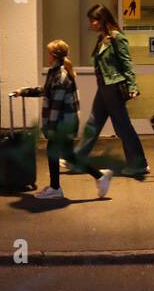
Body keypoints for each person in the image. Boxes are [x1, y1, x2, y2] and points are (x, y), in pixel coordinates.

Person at [64, 4, 149, 178]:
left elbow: (127, 63)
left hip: (113, 87)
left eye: (94, 20)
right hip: (104, 86)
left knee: (123, 127)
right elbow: (96, 60)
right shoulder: (103, 38)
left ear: (103, 20)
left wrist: (132, 86)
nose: (92, 23)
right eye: (91, 20)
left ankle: (139, 164)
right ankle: (77, 159)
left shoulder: (117, 38)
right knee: (94, 123)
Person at [20, 40, 112, 200]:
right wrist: (24, 91)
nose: (47, 56)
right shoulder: (56, 71)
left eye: (48, 53)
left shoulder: (60, 75)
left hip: (63, 123)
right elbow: (46, 91)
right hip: (66, 121)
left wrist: (50, 128)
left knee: (52, 151)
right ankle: (99, 176)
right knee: (69, 156)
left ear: (54, 56)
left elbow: (56, 104)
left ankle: (56, 188)